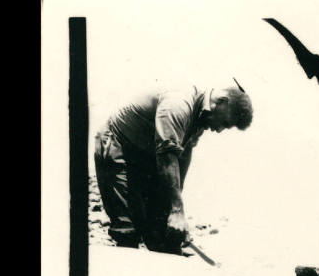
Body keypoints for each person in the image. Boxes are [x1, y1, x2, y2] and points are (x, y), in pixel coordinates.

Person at [94, 80, 253, 254]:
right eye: (225, 122)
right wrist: (177, 211)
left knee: (164, 235)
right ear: (222, 100)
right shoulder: (178, 104)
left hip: (148, 155)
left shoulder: (201, 118)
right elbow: (167, 156)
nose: (219, 129)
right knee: (127, 229)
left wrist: (175, 215)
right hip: (119, 145)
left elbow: (182, 158)